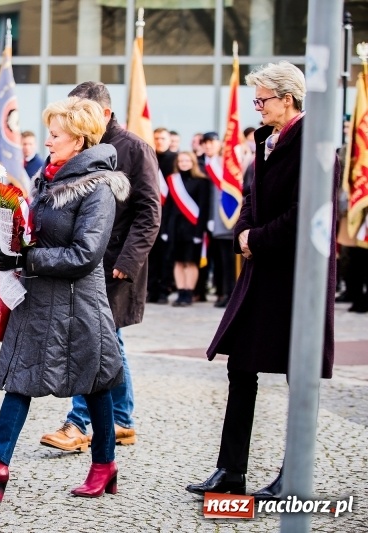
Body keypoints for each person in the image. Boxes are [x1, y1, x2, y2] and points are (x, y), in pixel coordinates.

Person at [0, 97, 128, 502]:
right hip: (39, 296)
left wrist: (26, 256)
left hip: (79, 304)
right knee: (21, 379)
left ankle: (104, 465)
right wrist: (9, 247)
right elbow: (38, 234)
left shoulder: (98, 188)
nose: (47, 141)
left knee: (96, 384)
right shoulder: (48, 179)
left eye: (55, 134)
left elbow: (86, 255)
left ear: (79, 139)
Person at [187, 61, 339, 502]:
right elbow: (250, 197)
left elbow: (309, 213)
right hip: (261, 274)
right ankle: (230, 471)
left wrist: (258, 238)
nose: (257, 108)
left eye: (262, 100)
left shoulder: (315, 143)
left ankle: (294, 474)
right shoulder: (266, 141)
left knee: (299, 375)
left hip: (297, 279)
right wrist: (244, 235)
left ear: (287, 99)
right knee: (241, 368)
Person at [39, 82, 160, 451]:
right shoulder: (77, 147)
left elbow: (149, 211)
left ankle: (79, 423)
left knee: (92, 340)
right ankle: (121, 420)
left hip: (113, 265)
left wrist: (127, 261)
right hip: (84, 260)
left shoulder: (134, 148)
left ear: (104, 114)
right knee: (107, 340)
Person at [166, 152, 210, 306]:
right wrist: (165, 229)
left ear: (193, 162)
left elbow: (204, 208)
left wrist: (200, 231)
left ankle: (189, 293)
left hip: (193, 227)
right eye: (181, 160)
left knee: (190, 262)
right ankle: (181, 293)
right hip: (175, 227)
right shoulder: (173, 180)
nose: (183, 163)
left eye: (186, 160)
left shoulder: (202, 181)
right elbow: (169, 206)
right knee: (177, 262)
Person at [199, 131, 235, 308]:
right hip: (207, 218)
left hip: (225, 220)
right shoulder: (200, 164)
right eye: (205, 143)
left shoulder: (224, 164)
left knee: (227, 260)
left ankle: (229, 293)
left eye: (212, 142)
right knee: (216, 259)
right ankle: (220, 292)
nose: (208, 145)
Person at [147, 127, 177, 304]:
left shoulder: (174, 160)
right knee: (151, 255)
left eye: (163, 138)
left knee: (167, 255)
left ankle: (164, 289)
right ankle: (152, 289)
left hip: (170, 212)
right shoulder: (150, 157)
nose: (159, 141)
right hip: (151, 211)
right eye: (156, 138)